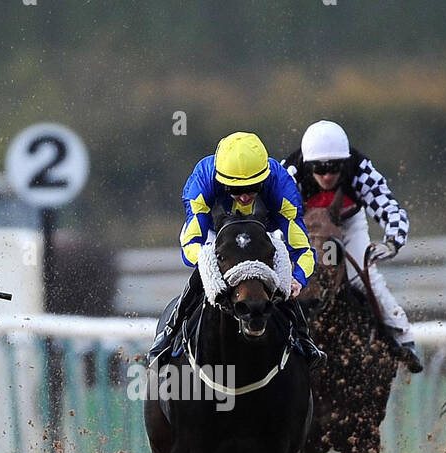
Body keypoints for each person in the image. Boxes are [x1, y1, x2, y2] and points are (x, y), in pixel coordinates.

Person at [148, 131, 324, 367]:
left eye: (252, 188)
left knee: (281, 278)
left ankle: (303, 339)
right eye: (234, 189)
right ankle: (168, 337)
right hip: (216, 236)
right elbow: (191, 246)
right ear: (221, 181)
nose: (243, 196)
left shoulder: (281, 184)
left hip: (263, 235)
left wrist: (297, 280)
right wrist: (209, 262)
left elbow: (303, 250)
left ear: (264, 179)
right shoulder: (203, 179)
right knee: (201, 276)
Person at [283, 120, 422, 373]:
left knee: (363, 276)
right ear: (307, 164)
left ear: (344, 163)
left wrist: (393, 241)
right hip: (306, 226)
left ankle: (402, 336)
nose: (327, 175)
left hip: (349, 225)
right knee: (293, 278)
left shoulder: (359, 169)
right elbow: (275, 214)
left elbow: (387, 205)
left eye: (334, 168)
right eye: (319, 168)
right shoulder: (290, 173)